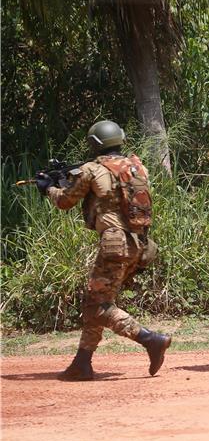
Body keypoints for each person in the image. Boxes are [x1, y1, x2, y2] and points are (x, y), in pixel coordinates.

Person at [39, 120, 171, 381]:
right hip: (139, 243)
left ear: (94, 144)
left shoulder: (91, 169)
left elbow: (65, 201)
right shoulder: (136, 166)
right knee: (96, 301)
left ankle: (150, 339)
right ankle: (82, 363)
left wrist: (48, 189)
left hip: (114, 244)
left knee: (99, 305)